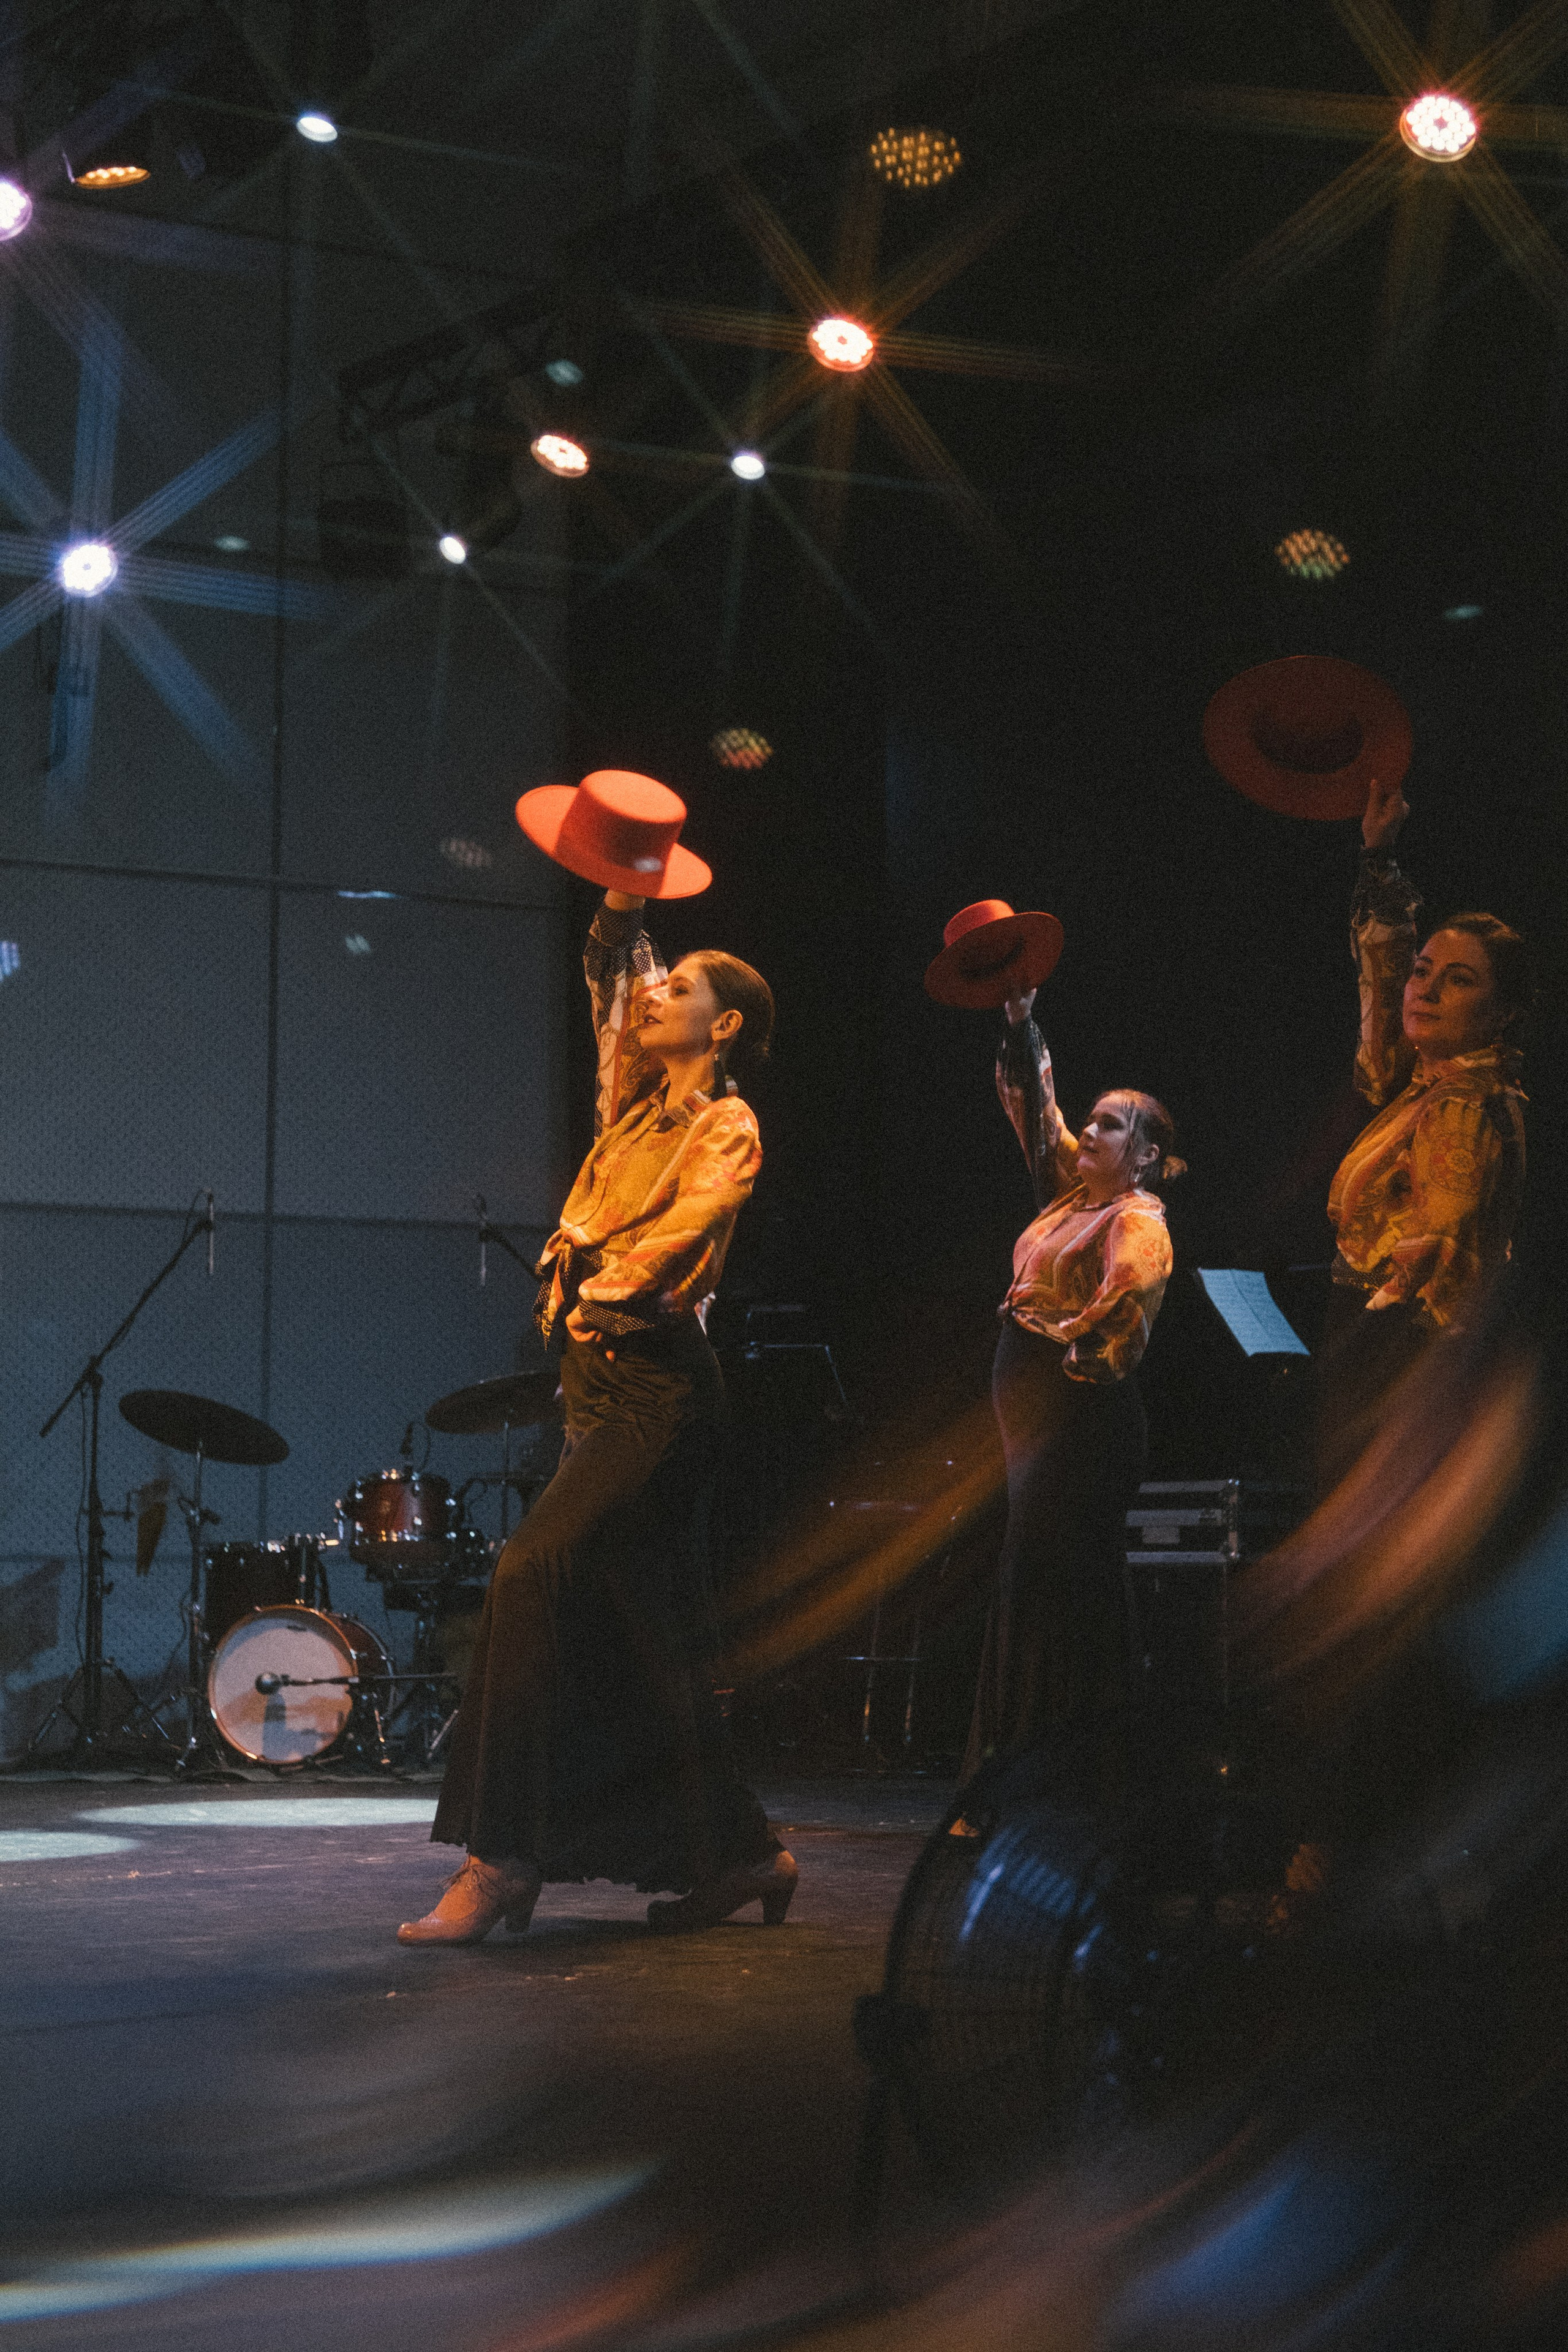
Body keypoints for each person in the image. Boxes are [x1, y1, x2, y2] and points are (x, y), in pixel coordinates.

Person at [401, 887, 795, 1943]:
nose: (656, 997)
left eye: (681, 989)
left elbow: (696, 1223)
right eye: (659, 984)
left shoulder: (729, 1124)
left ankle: (502, 1862)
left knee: (532, 1572)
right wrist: (620, 913)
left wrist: (607, 1288)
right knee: (638, 1639)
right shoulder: (634, 1111)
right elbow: (611, 996)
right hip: (601, 1385)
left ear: (725, 1027)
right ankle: (748, 1853)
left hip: (660, 1383)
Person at [960, 984, 1180, 1790]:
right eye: (1093, 1119)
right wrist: (1019, 1019)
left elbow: (1129, 1305)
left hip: (1081, 1423)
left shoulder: (1137, 1218)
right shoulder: (1068, 1200)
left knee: (1058, 1585)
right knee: (1037, 1583)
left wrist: (1066, 1370)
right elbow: (1035, 1113)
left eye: (1112, 1125)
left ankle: (1067, 1782)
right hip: (1041, 1420)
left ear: (1147, 1155)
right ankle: (1032, 1776)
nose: (1089, 1130)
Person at [1317, 775, 1529, 1494]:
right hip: (1378, 1341)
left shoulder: (1467, 1104)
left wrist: (1365, 1350)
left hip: (1400, 1351)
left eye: (1459, 980)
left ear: (1501, 1013)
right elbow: (1381, 982)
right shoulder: (1423, 1085)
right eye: (1425, 972)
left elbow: (1438, 1250)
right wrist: (1378, 858)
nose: (1426, 989)